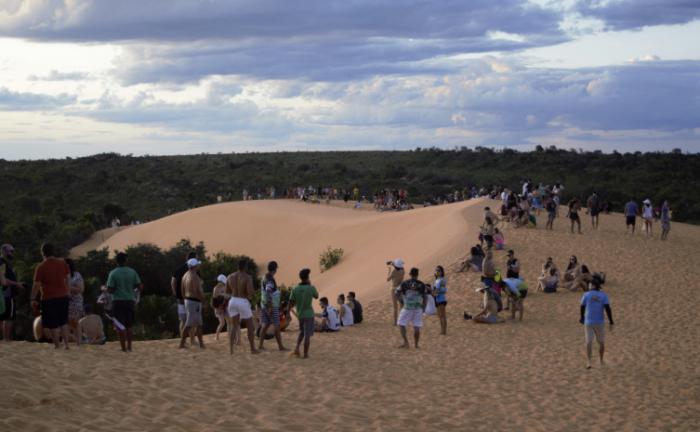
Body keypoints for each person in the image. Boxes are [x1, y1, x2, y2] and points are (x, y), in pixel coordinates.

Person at [31, 243, 71, 349]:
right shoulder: (62, 263)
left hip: (49, 298)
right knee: (63, 321)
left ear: (42, 253)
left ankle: (57, 345)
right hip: (63, 296)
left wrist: (32, 298)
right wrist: (67, 292)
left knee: (53, 323)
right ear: (53, 251)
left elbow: (36, 285)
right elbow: (67, 278)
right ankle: (67, 344)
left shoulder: (41, 267)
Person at [106, 252, 143, 352]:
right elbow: (140, 286)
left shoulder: (113, 273)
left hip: (117, 301)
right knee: (129, 325)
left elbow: (110, 289)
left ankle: (123, 348)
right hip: (130, 301)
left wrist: (105, 289)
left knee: (120, 326)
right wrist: (132, 289)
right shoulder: (132, 272)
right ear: (126, 260)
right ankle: (129, 347)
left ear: (116, 261)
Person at [580, 274, 614, 369]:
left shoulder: (586, 295)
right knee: (601, 342)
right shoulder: (603, 295)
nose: (589, 285)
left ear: (592, 285)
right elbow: (608, 309)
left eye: (590, 284)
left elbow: (582, 307)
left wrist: (581, 318)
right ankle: (601, 360)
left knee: (588, 342)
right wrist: (611, 321)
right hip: (599, 322)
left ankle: (589, 362)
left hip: (588, 321)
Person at [226, 259, 260, 355]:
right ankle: (252, 349)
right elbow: (250, 291)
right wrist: (253, 292)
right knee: (250, 325)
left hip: (232, 301)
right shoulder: (247, 277)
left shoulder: (230, 276)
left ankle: (231, 350)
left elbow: (227, 291)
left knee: (233, 326)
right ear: (245, 267)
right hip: (242, 301)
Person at [288, 268, 319, 359]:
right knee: (307, 335)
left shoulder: (295, 289)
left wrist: (287, 313)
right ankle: (305, 355)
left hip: (300, 315)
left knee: (302, 332)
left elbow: (291, 302)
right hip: (309, 315)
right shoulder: (311, 288)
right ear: (308, 277)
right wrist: (309, 285)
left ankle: (297, 348)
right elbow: (316, 296)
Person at [395, 267, 428, 349]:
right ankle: (416, 345)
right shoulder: (421, 284)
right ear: (417, 275)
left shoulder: (405, 283)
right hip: (418, 308)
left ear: (410, 274)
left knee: (401, 324)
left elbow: (396, 293)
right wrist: (424, 307)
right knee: (417, 326)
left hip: (408, 307)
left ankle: (406, 342)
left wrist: (401, 301)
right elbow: (425, 297)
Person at [258, 261, 287, 351]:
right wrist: (270, 306)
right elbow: (268, 291)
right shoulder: (270, 279)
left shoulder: (264, 277)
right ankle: (280, 347)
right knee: (277, 325)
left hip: (264, 304)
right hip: (271, 306)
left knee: (265, 325)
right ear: (274, 269)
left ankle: (260, 345)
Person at [179, 258, 205, 349]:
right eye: (197, 265)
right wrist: (203, 301)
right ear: (195, 266)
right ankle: (182, 344)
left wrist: (185, 299)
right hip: (194, 301)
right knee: (191, 324)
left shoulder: (185, 275)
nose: (199, 266)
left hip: (187, 300)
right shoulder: (194, 276)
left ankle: (201, 344)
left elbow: (182, 290)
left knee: (197, 323)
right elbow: (197, 291)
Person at [171, 251, 197, 340]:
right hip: (192, 299)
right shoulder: (195, 270)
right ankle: (192, 340)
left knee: (182, 320)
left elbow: (173, 282)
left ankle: (183, 340)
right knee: (192, 320)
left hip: (180, 299)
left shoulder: (179, 269)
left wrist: (176, 293)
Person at [0, 244, 23, 342]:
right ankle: (6, 339)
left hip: (3, 293)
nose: (12, 253)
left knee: (3, 316)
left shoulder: (4, 263)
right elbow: (3, 281)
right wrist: (17, 284)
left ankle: (4, 339)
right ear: (4, 251)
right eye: (11, 251)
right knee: (8, 317)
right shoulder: (2, 263)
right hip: (6, 293)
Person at [65, 258, 84, 345]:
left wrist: (67, 288)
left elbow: (81, 289)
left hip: (76, 301)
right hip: (65, 301)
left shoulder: (77, 275)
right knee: (66, 322)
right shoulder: (60, 275)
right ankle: (66, 342)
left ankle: (79, 342)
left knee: (75, 322)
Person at [387, 259, 405, 325]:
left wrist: (389, 270)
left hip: (394, 289)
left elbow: (388, 279)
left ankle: (395, 322)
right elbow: (399, 266)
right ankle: (402, 320)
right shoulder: (403, 270)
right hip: (400, 289)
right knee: (401, 305)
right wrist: (392, 263)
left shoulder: (393, 271)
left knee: (395, 307)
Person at [211, 274, 228, 341]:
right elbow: (215, 299)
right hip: (218, 308)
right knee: (222, 323)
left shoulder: (224, 287)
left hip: (224, 307)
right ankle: (217, 336)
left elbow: (226, 295)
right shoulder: (215, 288)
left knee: (227, 322)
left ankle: (229, 335)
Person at [433, 266, 447, 335]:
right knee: (439, 316)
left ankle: (444, 331)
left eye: (439, 270)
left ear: (441, 272)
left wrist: (437, 291)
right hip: (437, 299)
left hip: (441, 299)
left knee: (443, 315)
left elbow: (444, 290)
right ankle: (442, 330)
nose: (437, 272)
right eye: (436, 270)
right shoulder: (436, 280)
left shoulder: (442, 280)